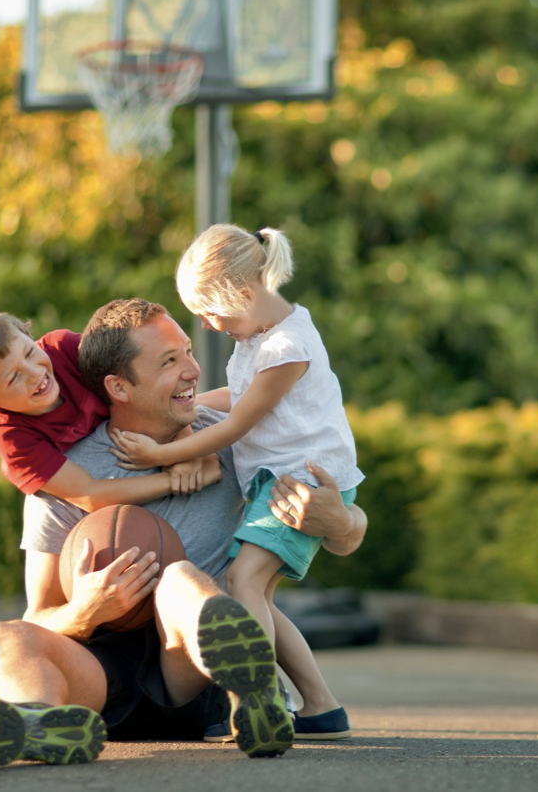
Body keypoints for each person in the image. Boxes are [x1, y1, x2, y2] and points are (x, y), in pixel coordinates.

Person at [0, 299, 367, 767]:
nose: (194, 370)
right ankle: (35, 723)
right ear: (117, 385)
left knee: (179, 578)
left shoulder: (230, 442)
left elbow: (343, 536)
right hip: (103, 678)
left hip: (192, 676)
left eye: (189, 352)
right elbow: (40, 614)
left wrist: (341, 521)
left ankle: (250, 691)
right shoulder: (61, 482)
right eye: (168, 362)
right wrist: (85, 610)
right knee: (5, 636)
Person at [110, 225, 364, 741]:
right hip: (279, 483)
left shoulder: (288, 347)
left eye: (211, 312)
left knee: (241, 582)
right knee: (258, 596)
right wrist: (192, 405)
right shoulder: (260, 338)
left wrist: (162, 451)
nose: (207, 324)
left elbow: (238, 424)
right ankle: (321, 706)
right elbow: (237, 396)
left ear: (244, 293)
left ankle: (263, 703)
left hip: (301, 488)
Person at [0, 304, 215, 513]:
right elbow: (89, 494)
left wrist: (185, 446)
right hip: (98, 481)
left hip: (148, 428)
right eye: (13, 377)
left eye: (28, 351)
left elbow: (156, 392)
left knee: (221, 399)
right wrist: (172, 481)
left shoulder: (64, 349)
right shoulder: (9, 434)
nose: (34, 372)